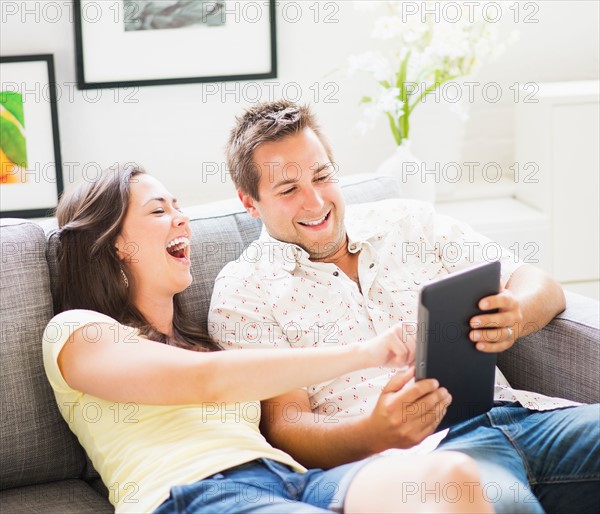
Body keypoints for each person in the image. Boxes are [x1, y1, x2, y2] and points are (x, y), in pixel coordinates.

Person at [209, 100, 600, 514]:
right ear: (250, 202)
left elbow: (539, 283)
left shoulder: (407, 222)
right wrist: (373, 431)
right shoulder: (244, 290)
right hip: (421, 460)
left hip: (523, 416)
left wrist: (517, 313)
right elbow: (287, 425)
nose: (315, 201)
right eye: (288, 190)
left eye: (323, 176)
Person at [42, 164, 494, 514]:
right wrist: (366, 353)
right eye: (159, 210)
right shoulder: (78, 332)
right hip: (194, 494)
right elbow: (205, 382)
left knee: (448, 475)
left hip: (293, 482)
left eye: (179, 207)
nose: (182, 220)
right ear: (113, 243)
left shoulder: (204, 342)